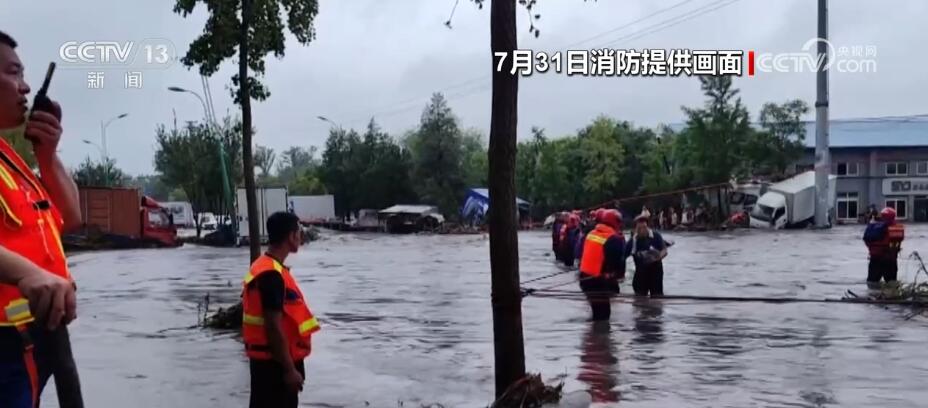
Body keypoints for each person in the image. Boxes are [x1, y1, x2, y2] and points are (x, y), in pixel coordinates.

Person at [0, 31, 83, 408]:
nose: (26, 86)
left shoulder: (11, 160)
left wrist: (47, 156)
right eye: (13, 73)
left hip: (33, 338)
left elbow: (71, 217)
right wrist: (27, 273)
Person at [242, 212, 321, 408]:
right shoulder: (272, 275)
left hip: (267, 362)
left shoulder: (266, 266)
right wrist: (289, 370)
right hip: (275, 367)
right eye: (299, 232)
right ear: (291, 236)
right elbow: (273, 326)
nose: (301, 237)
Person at [578, 209, 626, 321]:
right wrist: (617, 277)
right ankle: (599, 336)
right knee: (604, 315)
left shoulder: (591, 233)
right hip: (598, 281)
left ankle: (592, 334)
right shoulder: (613, 238)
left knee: (597, 312)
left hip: (584, 279)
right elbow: (617, 262)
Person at [626, 214, 669, 297]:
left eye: (644, 228)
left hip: (656, 273)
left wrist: (657, 257)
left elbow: (665, 250)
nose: (642, 230)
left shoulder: (656, 236)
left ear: (648, 227)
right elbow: (623, 256)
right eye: (639, 228)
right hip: (640, 273)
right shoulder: (633, 241)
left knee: (657, 297)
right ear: (635, 229)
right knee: (639, 298)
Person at [863, 207, 905, 285]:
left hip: (875, 259)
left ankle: (872, 296)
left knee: (872, 283)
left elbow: (866, 240)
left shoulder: (873, 227)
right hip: (890, 260)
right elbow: (898, 242)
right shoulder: (897, 228)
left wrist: (871, 249)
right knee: (891, 284)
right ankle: (891, 296)